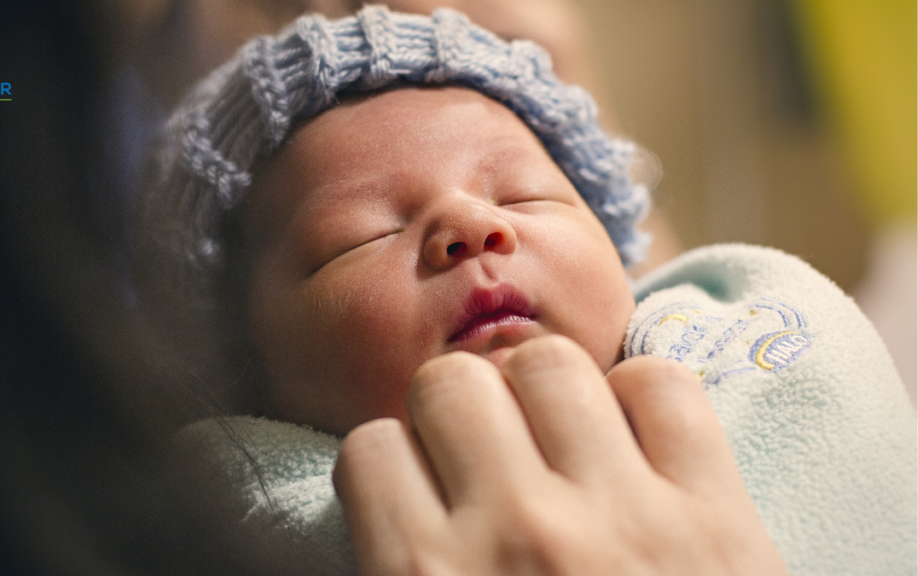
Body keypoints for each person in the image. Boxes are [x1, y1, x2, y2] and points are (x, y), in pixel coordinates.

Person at [139, 7, 916, 576]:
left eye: (523, 197)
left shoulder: (723, 336)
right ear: (247, 376)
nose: (473, 225)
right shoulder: (241, 514)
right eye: (359, 236)